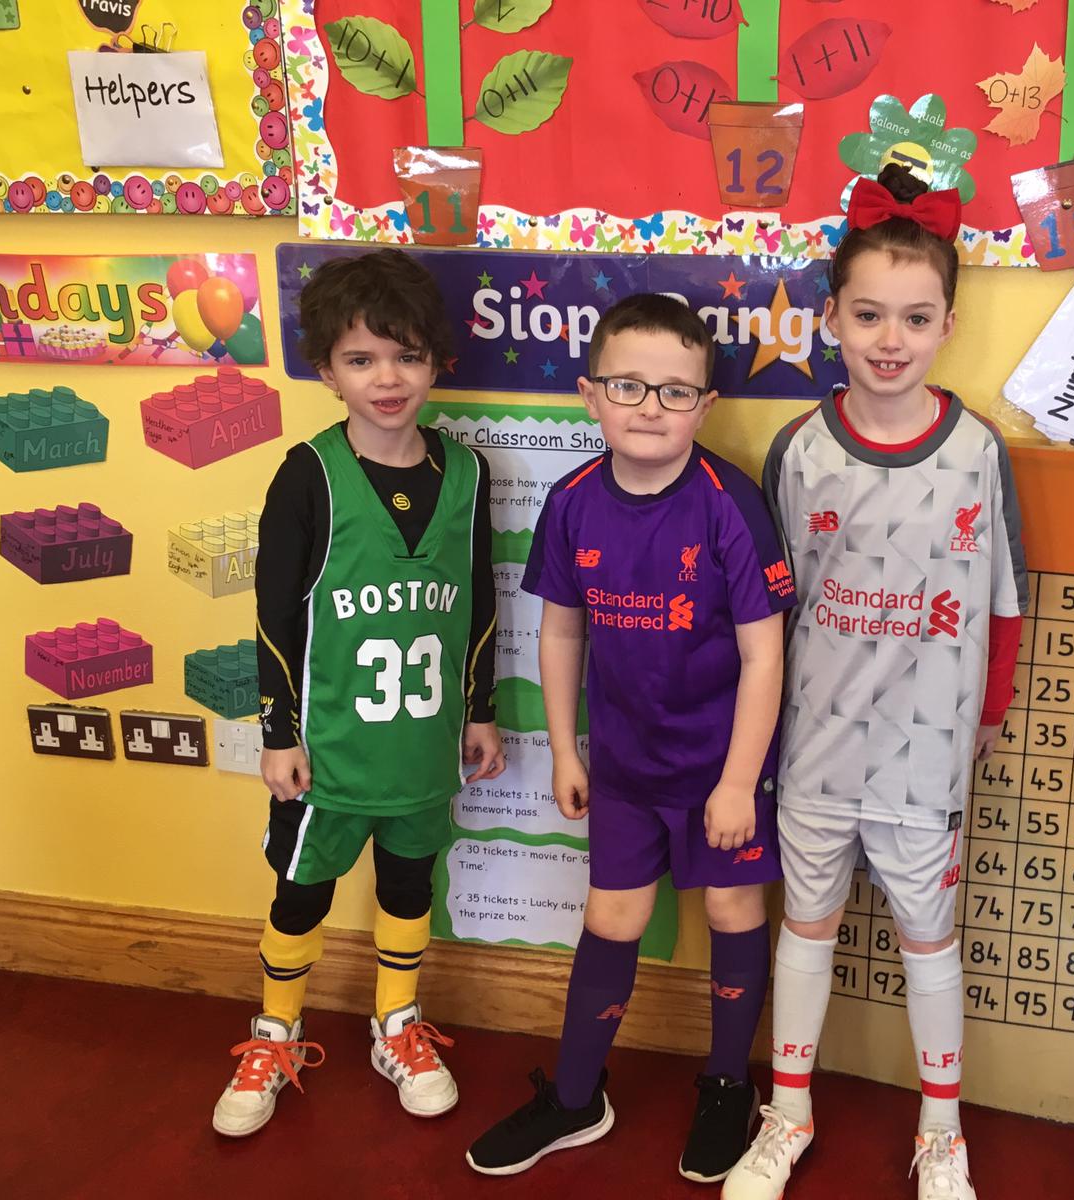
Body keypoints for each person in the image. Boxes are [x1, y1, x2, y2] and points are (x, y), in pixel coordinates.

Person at [722, 166, 1028, 1200]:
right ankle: (788, 1112)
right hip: (815, 743)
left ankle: (941, 1132)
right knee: (804, 927)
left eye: (915, 317)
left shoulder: (977, 453)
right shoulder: (799, 451)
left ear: (947, 324)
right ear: (832, 319)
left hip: (928, 750)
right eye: (867, 315)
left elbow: (1006, 599)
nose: (890, 339)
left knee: (926, 937)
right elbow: (767, 613)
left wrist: (989, 712)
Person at [466, 294, 794, 1184]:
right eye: (628, 386)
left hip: (720, 769)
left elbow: (765, 655)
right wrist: (566, 750)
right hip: (622, 768)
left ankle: (727, 1085)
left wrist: (738, 782)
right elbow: (560, 631)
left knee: (731, 912)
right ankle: (576, 1097)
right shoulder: (573, 502)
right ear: (589, 394)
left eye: (676, 391)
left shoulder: (730, 503)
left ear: (705, 406)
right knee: (610, 919)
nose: (651, 407)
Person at [212, 249, 505, 1137]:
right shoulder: (308, 474)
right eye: (362, 358)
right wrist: (278, 730)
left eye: (407, 355)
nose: (388, 378)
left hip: (421, 747)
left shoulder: (467, 474)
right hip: (329, 753)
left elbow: (480, 600)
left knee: (409, 886)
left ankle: (397, 1023)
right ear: (326, 369)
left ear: (437, 361)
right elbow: (273, 615)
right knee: (300, 893)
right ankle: (275, 1031)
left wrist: (481, 710)